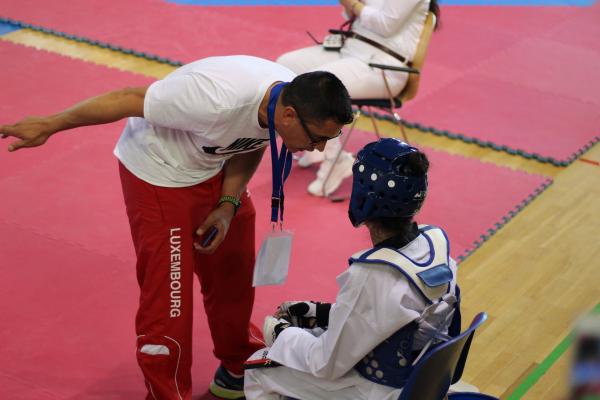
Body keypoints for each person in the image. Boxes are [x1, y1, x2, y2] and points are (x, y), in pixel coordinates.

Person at [0, 55, 353, 400]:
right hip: (159, 175)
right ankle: (167, 392)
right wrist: (50, 123)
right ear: (289, 115)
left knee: (234, 272)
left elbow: (253, 139)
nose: (320, 148)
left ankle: (236, 367)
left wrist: (228, 205)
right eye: (318, 137)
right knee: (170, 299)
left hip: (213, 168)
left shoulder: (282, 101)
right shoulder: (212, 98)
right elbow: (126, 99)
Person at [244, 138, 461, 400]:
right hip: (421, 380)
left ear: (363, 197)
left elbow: (326, 363)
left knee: (259, 366)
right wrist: (321, 313)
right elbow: (388, 317)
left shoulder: (374, 276)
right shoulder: (436, 244)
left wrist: (282, 334)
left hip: (377, 390)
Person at [277, 0, 440, 197]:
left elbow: (385, 25)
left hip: (383, 65)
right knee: (284, 66)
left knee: (319, 88)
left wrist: (353, 3)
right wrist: (350, 6)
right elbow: (354, 17)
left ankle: (336, 160)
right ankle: (314, 142)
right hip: (350, 50)